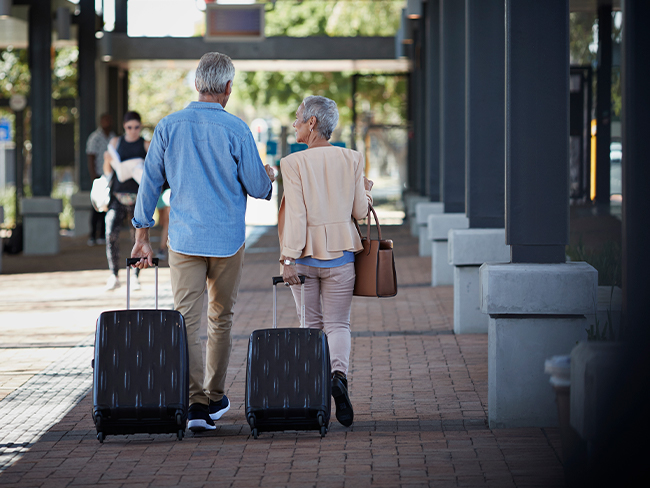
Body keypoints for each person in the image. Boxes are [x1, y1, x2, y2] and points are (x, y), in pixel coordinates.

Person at [130, 52, 275, 433]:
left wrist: (142, 235)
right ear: (228, 88)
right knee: (220, 318)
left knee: (187, 322)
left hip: (184, 239)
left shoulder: (168, 126)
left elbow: (149, 182)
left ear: (197, 85)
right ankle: (212, 396)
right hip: (227, 240)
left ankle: (194, 404)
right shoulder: (237, 129)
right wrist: (269, 173)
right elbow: (260, 188)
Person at [278, 95, 373, 428]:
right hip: (342, 255)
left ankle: (314, 398)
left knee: (311, 326)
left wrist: (287, 258)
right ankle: (339, 377)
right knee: (338, 325)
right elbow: (361, 212)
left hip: (304, 256)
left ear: (312, 123)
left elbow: (297, 216)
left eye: (298, 118)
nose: (295, 123)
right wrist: (367, 191)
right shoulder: (352, 158)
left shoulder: (292, 163)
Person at [103, 111, 149, 291]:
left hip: (137, 197)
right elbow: (107, 171)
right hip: (117, 195)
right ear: (124, 127)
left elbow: (154, 170)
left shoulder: (145, 144)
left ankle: (135, 276)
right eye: (130, 127)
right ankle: (114, 274)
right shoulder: (116, 143)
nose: (133, 131)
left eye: (137, 127)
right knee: (110, 232)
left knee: (136, 237)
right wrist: (108, 160)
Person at [85, 113, 114, 246]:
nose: (106, 122)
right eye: (104, 120)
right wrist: (93, 177)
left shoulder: (114, 137)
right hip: (99, 176)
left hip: (111, 177)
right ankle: (92, 235)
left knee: (107, 205)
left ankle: (102, 234)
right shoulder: (95, 138)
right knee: (96, 206)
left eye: (108, 120)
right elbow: (90, 157)